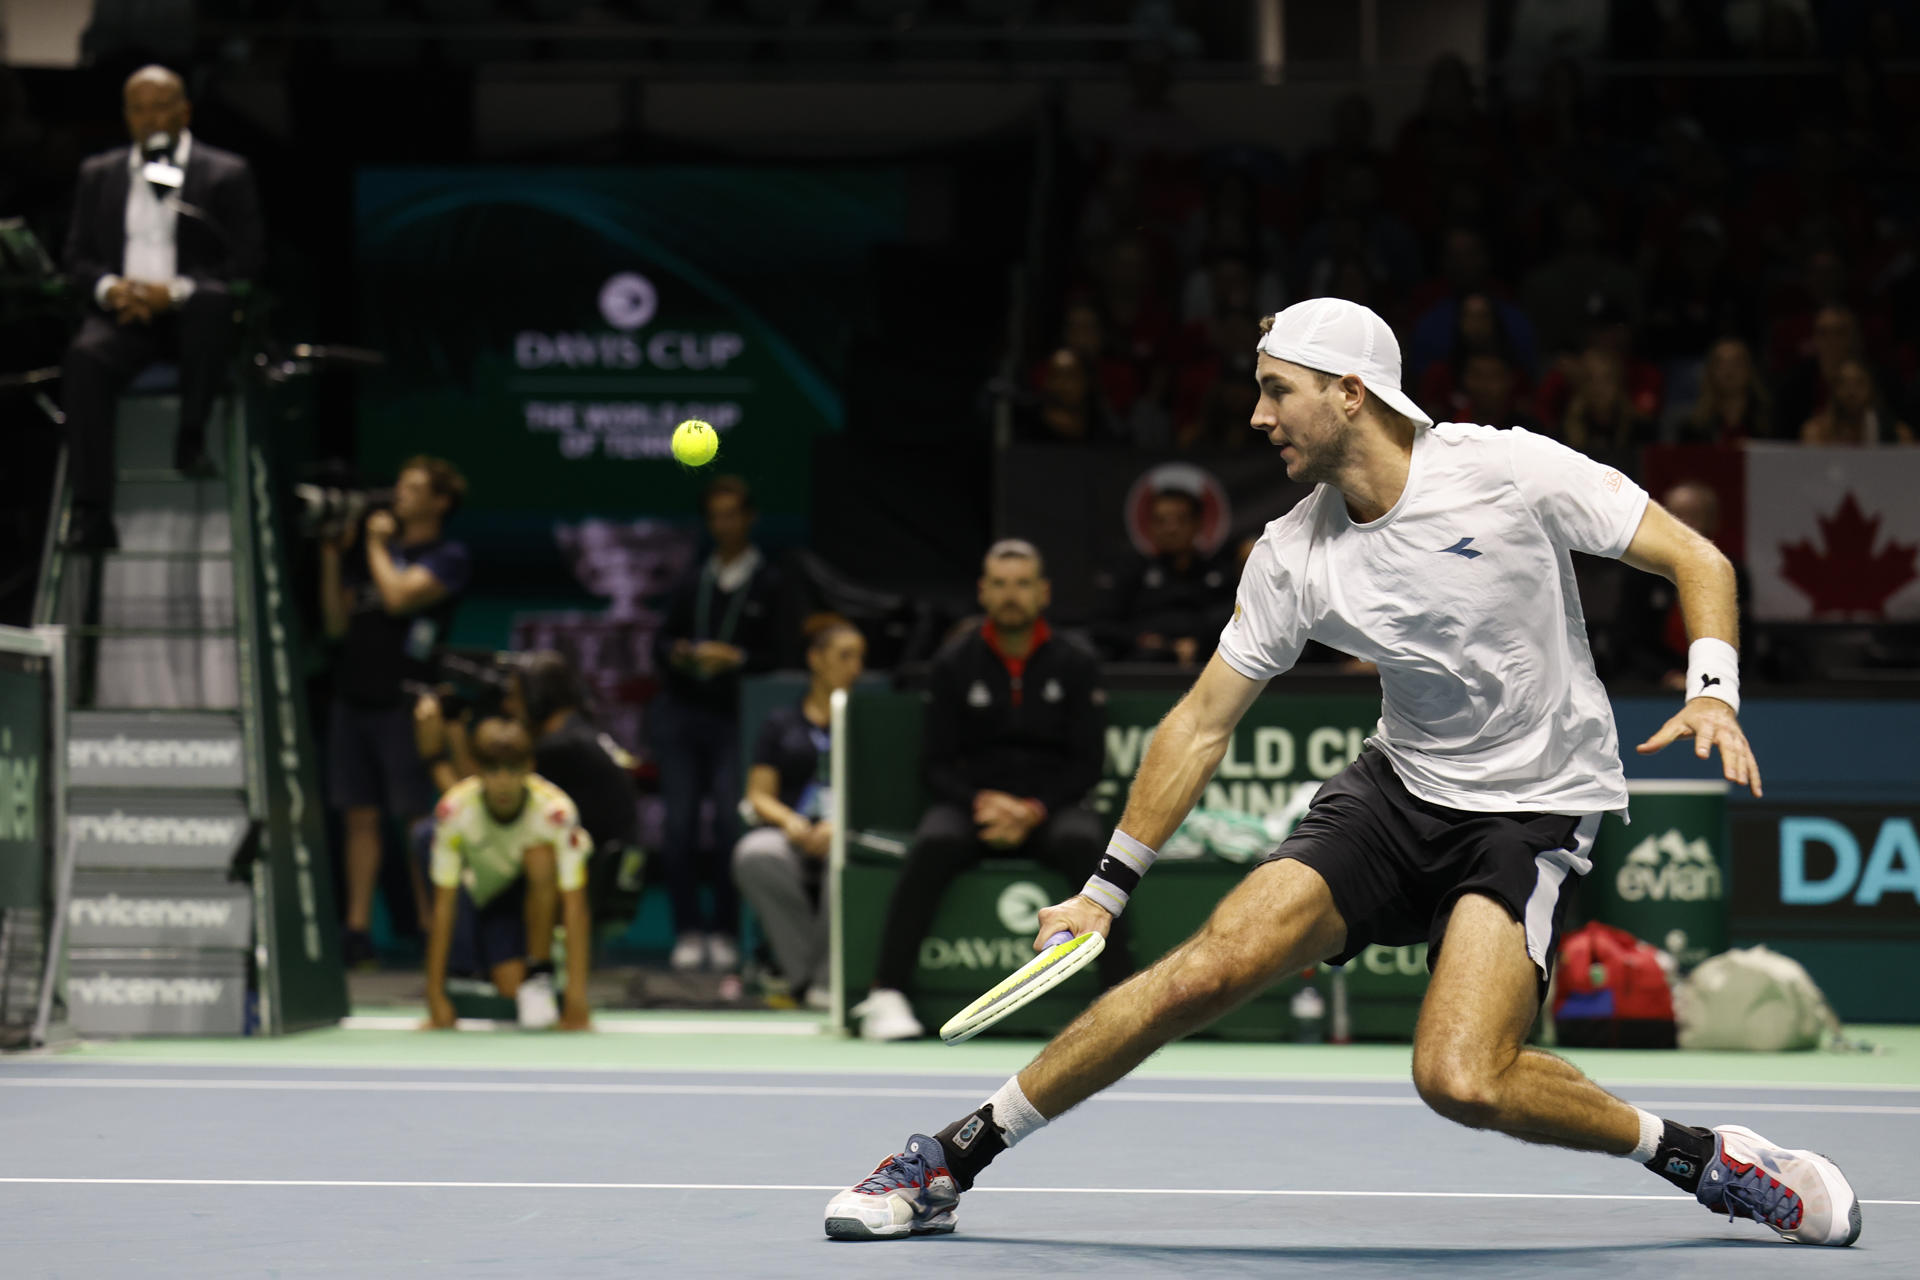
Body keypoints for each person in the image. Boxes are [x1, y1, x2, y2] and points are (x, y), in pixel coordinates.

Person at [824, 298, 1859, 1250]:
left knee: (1461, 1076)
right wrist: (1103, 889)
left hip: (1533, 808)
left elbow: (1698, 556)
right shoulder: (1292, 552)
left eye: (1277, 389)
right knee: (1202, 968)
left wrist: (1712, 687)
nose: (1260, 415)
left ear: (1348, 392)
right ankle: (950, 1157)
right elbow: (1200, 722)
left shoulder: (1506, 469)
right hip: (1397, 789)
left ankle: (1709, 1157)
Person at [851, 540, 1133, 1042]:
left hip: (1052, 807)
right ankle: (886, 992)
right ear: (983, 592)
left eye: (1022, 584)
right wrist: (984, 802)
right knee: (934, 842)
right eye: (999, 584)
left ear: (1042, 592)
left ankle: (1118, 999)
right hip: (974, 804)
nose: (1011, 595)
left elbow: (1088, 764)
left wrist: (1034, 808)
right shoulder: (954, 663)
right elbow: (935, 764)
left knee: (1087, 845)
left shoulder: (1076, 662)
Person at [59, 65, 263, 550]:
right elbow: (77, 259)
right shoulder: (98, 174)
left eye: (160, 107)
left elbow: (247, 262)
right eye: (138, 109)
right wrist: (114, 290)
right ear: (126, 117)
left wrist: (171, 292)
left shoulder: (225, 174)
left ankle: (190, 437)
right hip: (125, 319)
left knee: (210, 304)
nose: (149, 119)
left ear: (184, 111)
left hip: (193, 317)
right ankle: (92, 515)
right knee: (84, 357)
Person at [320, 456, 472, 967]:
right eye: (399, 486)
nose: (398, 496)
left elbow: (399, 598)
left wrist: (373, 545)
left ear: (440, 501)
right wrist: (331, 556)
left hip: (405, 701)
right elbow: (336, 625)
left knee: (416, 821)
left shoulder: (448, 556)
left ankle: (435, 929)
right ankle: (357, 929)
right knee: (358, 817)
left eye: (412, 488)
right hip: (353, 695)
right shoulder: (368, 555)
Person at [651, 475, 784, 974]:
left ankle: (727, 933)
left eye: (732, 514)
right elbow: (660, 644)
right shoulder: (692, 579)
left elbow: (779, 653)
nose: (724, 525)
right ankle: (687, 931)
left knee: (731, 826)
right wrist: (682, 653)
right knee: (678, 827)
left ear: (748, 518)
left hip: (736, 719)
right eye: (715, 516)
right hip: (682, 716)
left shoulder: (768, 582)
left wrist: (738, 658)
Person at [730, 617, 866, 1011]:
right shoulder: (781, 723)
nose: (854, 668)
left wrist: (839, 827)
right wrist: (790, 821)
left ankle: (822, 982)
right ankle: (808, 977)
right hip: (792, 834)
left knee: (844, 863)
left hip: (846, 832)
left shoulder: (867, 721)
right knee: (754, 854)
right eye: (844, 656)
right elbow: (758, 794)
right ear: (816, 660)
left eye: (860, 658)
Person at [421, 719, 591, 1033]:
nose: (503, 782)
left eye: (512, 770)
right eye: (492, 770)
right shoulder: (454, 810)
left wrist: (577, 997)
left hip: (544, 898)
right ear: (476, 769)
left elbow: (574, 906)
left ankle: (541, 968)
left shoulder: (555, 811)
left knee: (540, 858)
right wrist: (435, 996)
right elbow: (443, 906)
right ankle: (504, 963)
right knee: (511, 989)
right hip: (491, 902)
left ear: (529, 767)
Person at [1092, 488, 1233, 666]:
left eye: (1181, 520)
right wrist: (1142, 640)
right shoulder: (1130, 572)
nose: (1171, 529)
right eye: (1161, 521)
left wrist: (1200, 642)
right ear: (1150, 526)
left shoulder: (1219, 574)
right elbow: (1102, 627)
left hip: (1208, 665)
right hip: (1145, 669)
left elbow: (1238, 621)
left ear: (1198, 524)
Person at [1799, 357, 1915, 444]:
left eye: (1859, 383)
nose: (1851, 391)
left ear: (1871, 389)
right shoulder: (1817, 433)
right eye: (1844, 383)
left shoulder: (1895, 433)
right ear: (1834, 390)